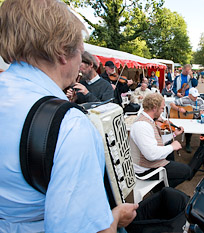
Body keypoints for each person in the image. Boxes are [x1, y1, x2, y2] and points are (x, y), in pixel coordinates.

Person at [0, 0, 138, 232]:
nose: (80, 63)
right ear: (63, 52)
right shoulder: (69, 125)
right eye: (80, 51)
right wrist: (114, 217)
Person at [129, 93, 191, 188]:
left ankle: (164, 185)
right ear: (154, 107)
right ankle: (159, 189)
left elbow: (157, 140)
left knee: (171, 156)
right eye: (162, 108)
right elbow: (151, 155)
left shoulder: (148, 120)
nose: (162, 111)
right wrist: (172, 147)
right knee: (187, 171)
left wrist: (174, 134)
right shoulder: (142, 125)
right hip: (145, 169)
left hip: (148, 164)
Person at [170, 88, 204, 153]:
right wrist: (179, 109)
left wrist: (201, 114)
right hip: (187, 119)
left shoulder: (200, 101)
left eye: (196, 96)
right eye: (194, 96)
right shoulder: (184, 99)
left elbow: (202, 111)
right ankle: (188, 143)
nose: (195, 97)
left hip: (196, 118)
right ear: (189, 95)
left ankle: (202, 145)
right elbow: (172, 104)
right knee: (188, 127)